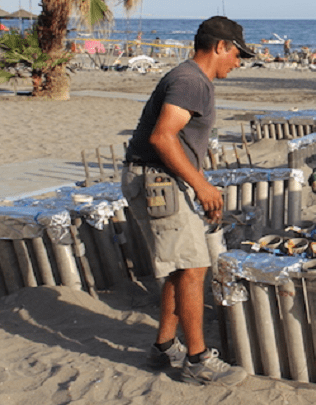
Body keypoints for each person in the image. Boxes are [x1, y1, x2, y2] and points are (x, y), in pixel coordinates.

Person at [121, 16, 255, 387]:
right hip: (157, 178)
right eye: (238, 54)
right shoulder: (191, 81)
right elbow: (163, 138)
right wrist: (202, 185)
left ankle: (164, 346)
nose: (239, 62)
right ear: (220, 47)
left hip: (159, 177)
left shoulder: (191, 79)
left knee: (183, 266)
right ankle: (197, 361)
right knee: (194, 269)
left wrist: (197, 180)